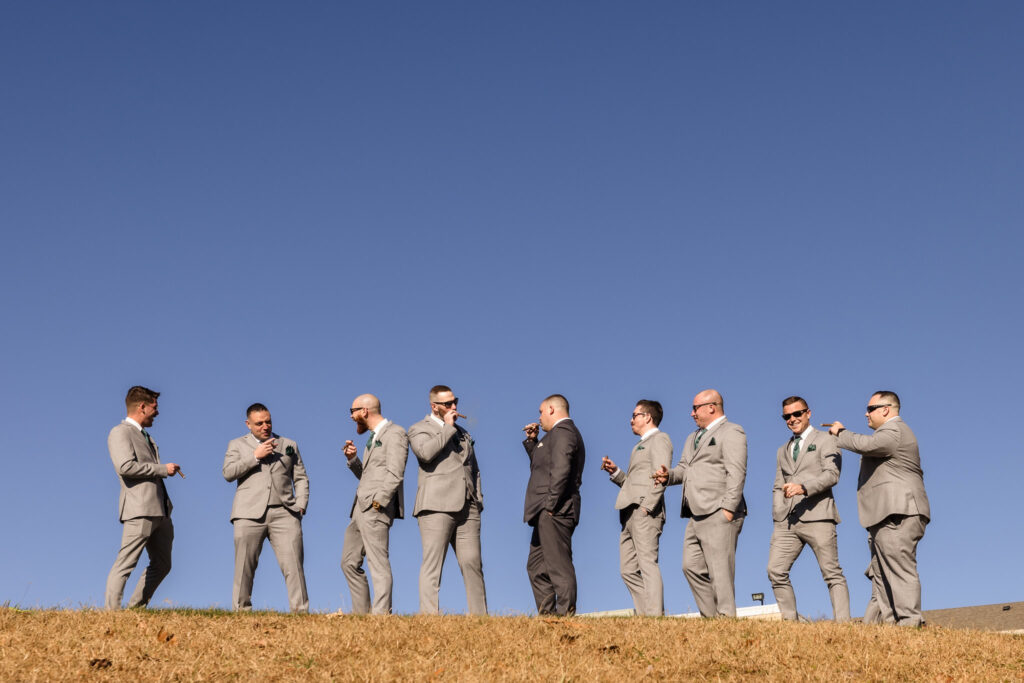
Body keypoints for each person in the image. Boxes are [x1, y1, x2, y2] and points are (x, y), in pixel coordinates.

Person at [829, 391, 930, 627]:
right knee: (882, 573)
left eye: (870, 408)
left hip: (898, 512)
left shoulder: (894, 430)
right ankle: (892, 623)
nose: (866, 413)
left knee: (899, 568)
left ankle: (909, 622)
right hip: (886, 514)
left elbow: (867, 444)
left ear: (886, 409)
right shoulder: (890, 432)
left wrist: (840, 433)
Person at [654, 389, 746, 617]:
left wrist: (728, 509)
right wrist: (669, 477)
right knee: (691, 567)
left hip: (719, 510)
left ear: (712, 407)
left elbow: (737, 472)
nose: (692, 413)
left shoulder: (732, 431)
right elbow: (685, 468)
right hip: (695, 513)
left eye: (696, 408)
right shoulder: (692, 437)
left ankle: (726, 621)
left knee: (720, 572)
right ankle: (712, 619)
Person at [766, 396, 850, 621]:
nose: (792, 419)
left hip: (819, 516)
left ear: (808, 413)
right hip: (787, 521)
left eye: (797, 414)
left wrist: (803, 488)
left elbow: (832, 475)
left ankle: (844, 626)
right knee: (775, 570)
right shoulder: (782, 450)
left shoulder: (826, 440)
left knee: (831, 573)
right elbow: (777, 483)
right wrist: (778, 513)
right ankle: (791, 624)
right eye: (787, 416)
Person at [223, 403, 309, 613]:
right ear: (248, 424)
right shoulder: (236, 444)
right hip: (248, 514)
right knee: (244, 566)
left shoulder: (289, 444)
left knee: (294, 566)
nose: (265, 426)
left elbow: (301, 478)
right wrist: (255, 456)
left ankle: (300, 612)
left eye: (268, 421)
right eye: (259, 423)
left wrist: (301, 505)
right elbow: (228, 472)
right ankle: (241, 612)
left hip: (285, 513)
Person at [407, 386, 487, 615]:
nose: (454, 407)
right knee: (433, 564)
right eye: (448, 404)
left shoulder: (464, 433)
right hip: (436, 505)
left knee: (473, 563)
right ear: (434, 406)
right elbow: (425, 454)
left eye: (455, 402)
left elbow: (475, 468)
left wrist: (478, 499)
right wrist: (448, 428)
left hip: (468, 505)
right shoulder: (418, 428)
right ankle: (430, 616)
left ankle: (481, 618)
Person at [105, 386, 181, 609]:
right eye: (154, 408)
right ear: (142, 406)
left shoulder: (145, 435)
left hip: (161, 511)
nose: (157, 412)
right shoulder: (119, 432)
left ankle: (135, 609)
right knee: (126, 563)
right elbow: (125, 466)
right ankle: (111, 613)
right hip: (139, 510)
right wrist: (161, 469)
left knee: (163, 564)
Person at [600, 399, 672, 616]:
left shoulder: (660, 439)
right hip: (628, 512)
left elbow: (662, 476)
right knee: (628, 570)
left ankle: (655, 617)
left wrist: (647, 507)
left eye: (635, 415)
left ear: (647, 417)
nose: (631, 420)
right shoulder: (639, 445)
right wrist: (616, 473)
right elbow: (634, 482)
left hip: (644, 511)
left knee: (647, 564)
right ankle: (647, 614)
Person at [340, 394, 408, 614]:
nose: (351, 416)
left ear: (365, 411)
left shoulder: (395, 433)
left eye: (353, 411)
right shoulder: (372, 438)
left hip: (375, 508)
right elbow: (369, 477)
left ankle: (381, 615)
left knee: (378, 563)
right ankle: (362, 615)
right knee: (349, 562)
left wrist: (379, 502)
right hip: (359, 509)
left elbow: (395, 473)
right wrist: (353, 460)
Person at [522, 394, 585, 616]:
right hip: (544, 510)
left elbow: (561, 469)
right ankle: (547, 617)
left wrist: (550, 504)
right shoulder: (554, 436)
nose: (539, 417)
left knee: (558, 566)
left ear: (551, 409)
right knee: (537, 567)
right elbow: (543, 467)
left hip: (554, 509)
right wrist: (532, 443)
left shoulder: (564, 431)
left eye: (540, 411)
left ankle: (565, 616)